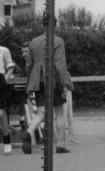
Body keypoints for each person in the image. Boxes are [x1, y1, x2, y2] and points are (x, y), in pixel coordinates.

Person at [21, 23, 74, 154]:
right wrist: (66, 84)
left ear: (43, 25)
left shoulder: (33, 42)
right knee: (59, 112)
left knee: (41, 112)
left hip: (37, 80)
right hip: (53, 80)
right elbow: (60, 65)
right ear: (55, 25)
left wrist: (30, 84)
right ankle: (60, 145)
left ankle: (28, 132)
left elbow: (29, 65)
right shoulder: (58, 41)